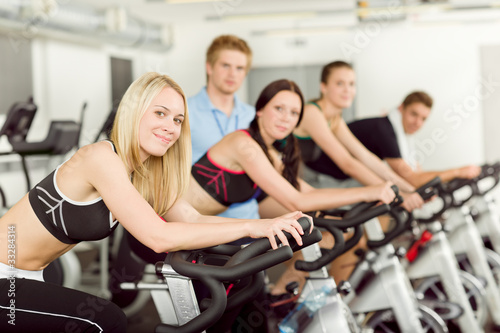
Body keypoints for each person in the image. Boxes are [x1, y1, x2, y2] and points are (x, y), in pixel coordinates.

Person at [0, 72, 308, 332]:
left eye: (177, 119)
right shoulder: (100, 158)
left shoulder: (142, 175)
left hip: (30, 275)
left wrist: (264, 227)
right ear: (135, 110)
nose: (170, 127)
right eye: (160, 113)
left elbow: (191, 218)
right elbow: (157, 237)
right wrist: (255, 227)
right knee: (104, 321)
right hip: (4, 277)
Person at [188, 35, 259, 224]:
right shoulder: (184, 112)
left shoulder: (253, 116)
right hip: (201, 224)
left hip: (249, 222)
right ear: (209, 67)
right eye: (225, 65)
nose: (232, 74)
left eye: (239, 68)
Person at [346, 91, 480, 187]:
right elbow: (412, 179)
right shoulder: (385, 132)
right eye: (414, 114)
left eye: (423, 119)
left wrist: (427, 187)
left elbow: (417, 173)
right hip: (334, 181)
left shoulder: (402, 135)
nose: (418, 123)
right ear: (401, 108)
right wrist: (457, 172)